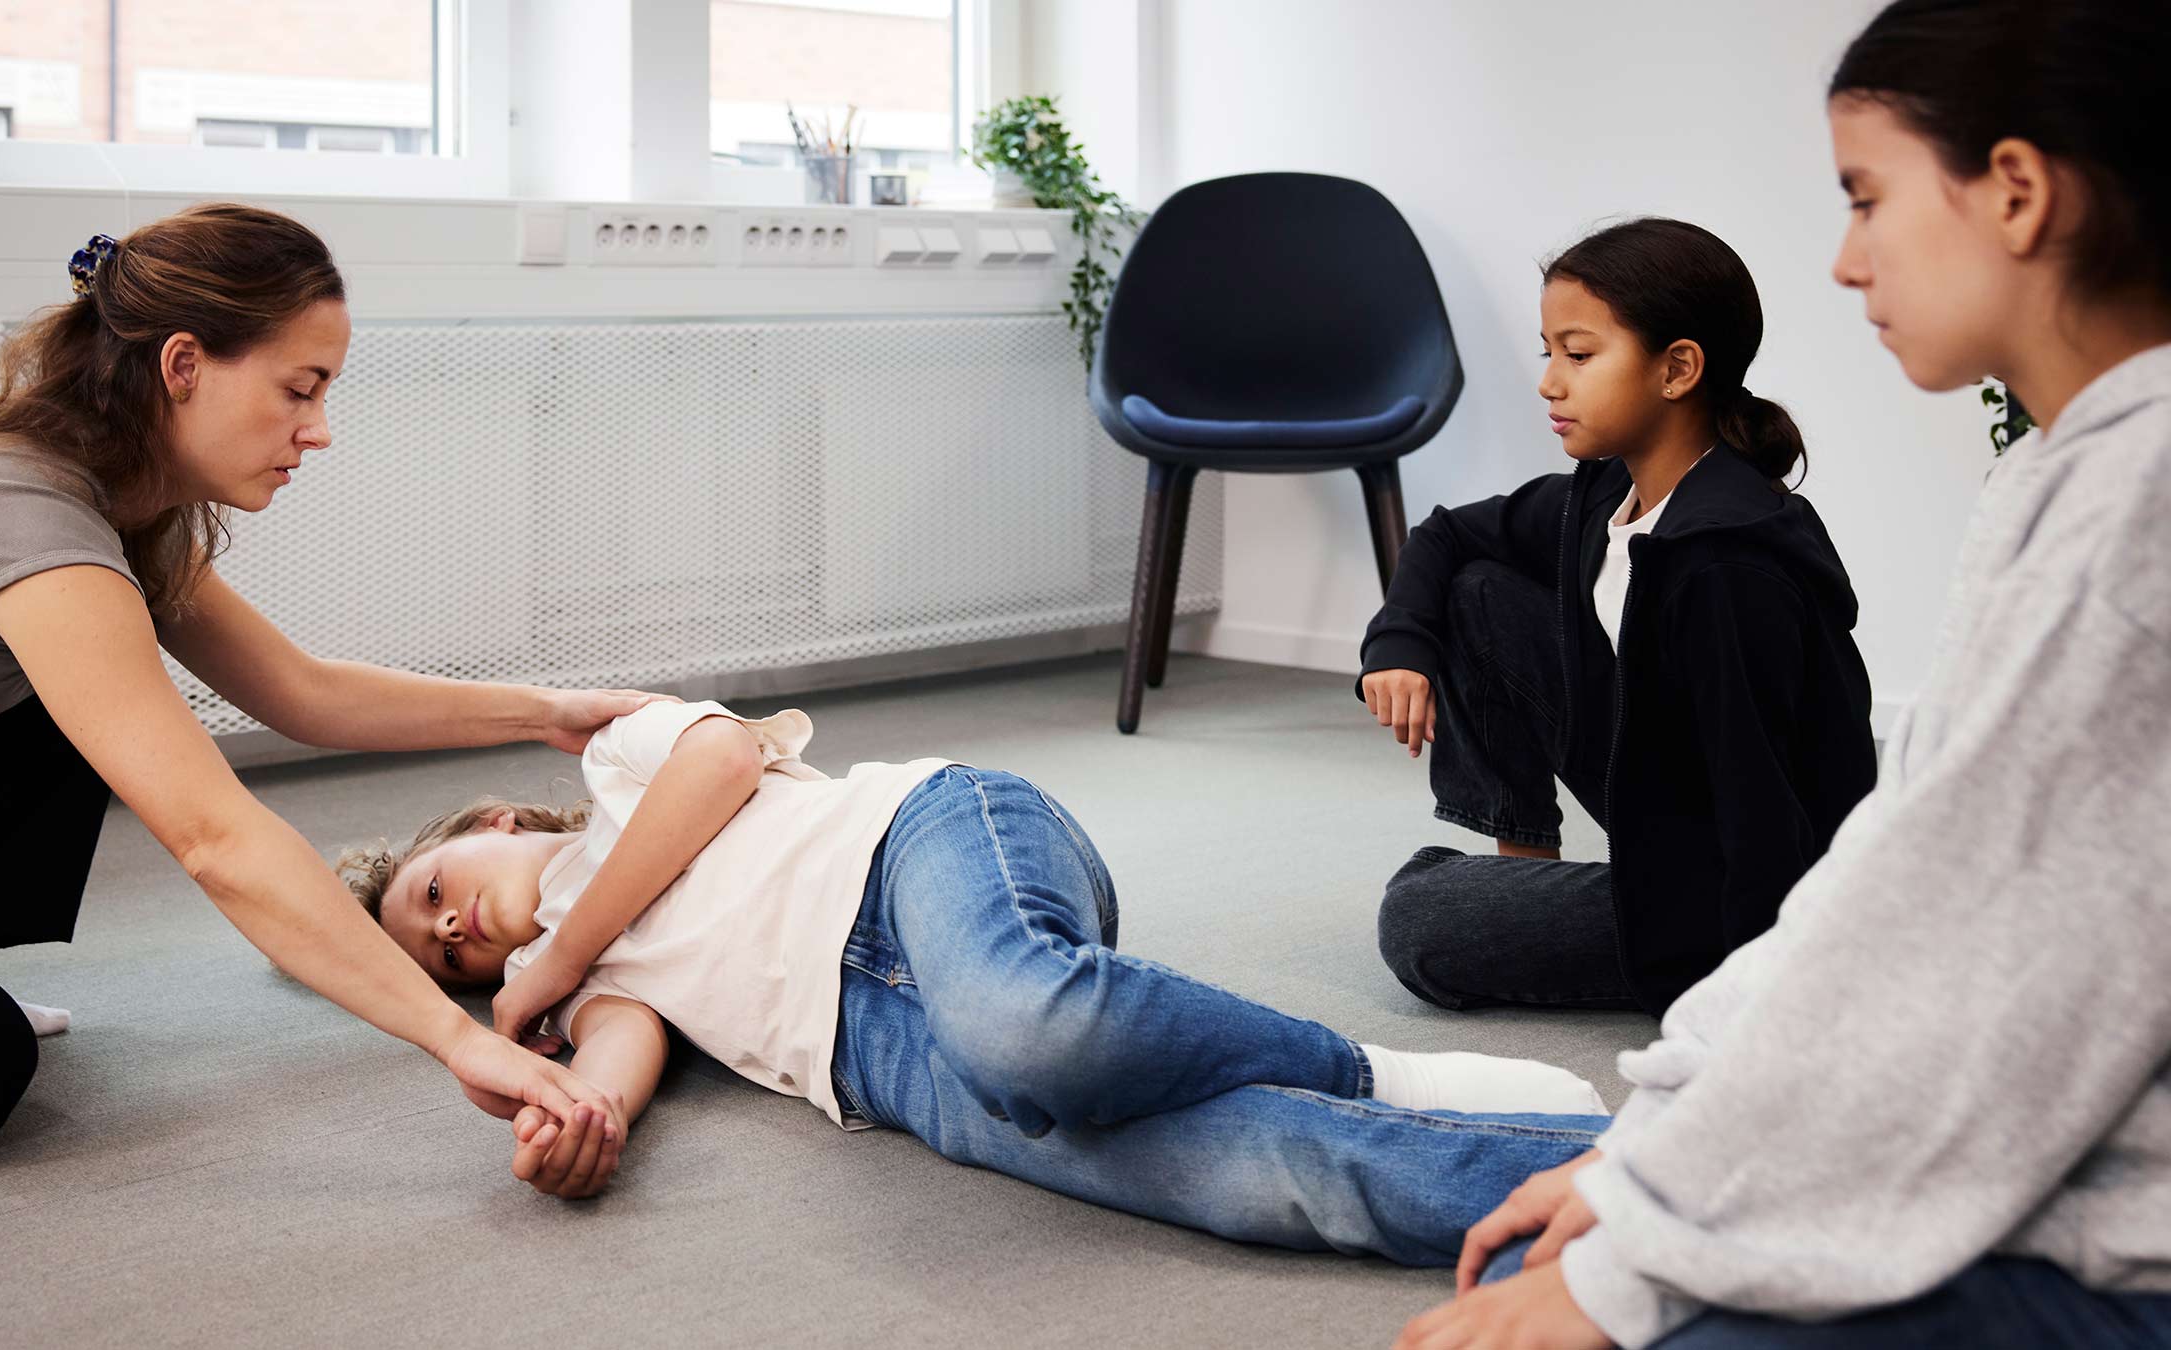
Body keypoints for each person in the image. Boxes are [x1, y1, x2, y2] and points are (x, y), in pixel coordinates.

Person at [1398, 1, 2171, 1345]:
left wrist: (1643, 1239)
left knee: (1442, 964)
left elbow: (1960, 969)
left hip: (2091, 1233)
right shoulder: (2058, 472)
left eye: (1867, 200)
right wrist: (1661, 1146)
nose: (1846, 261)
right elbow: (1910, 868)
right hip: (1768, 971)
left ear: (2019, 191)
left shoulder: (2123, 512)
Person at [0, 203, 664, 1181]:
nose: (318, 431)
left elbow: (301, 692)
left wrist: (549, 712)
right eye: (299, 389)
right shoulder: (25, 529)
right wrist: (456, 1041)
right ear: (184, 365)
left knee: (70, 700)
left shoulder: (107, 505)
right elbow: (215, 837)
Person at [338, 695, 1609, 1254]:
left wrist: (554, 947)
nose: (458, 936)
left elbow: (722, 763)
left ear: (494, 822)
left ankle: (1370, 1068)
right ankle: (1596, 1184)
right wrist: (588, 1110)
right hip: (881, 1063)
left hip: (926, 850)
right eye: (448, 957)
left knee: (1026, 1029)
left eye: (435, 897)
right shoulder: (589, 987)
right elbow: (626, 1048)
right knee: (1239, 1178)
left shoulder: (617, 771)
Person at [1359, 217, 1876, 1017]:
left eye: (1580, 353)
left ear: (1677, 369)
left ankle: (1506, 894)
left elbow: (1763, 801)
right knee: (1477, 591)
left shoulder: (1723, 565)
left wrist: (1763, 997)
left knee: (1419, 921)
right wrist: (1398, 646)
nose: (1549, 382)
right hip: (1666, 797)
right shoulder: (1604, 492)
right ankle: (1518, 860)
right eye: (1548, 352)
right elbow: (1447, 533)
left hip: (1754, 895)